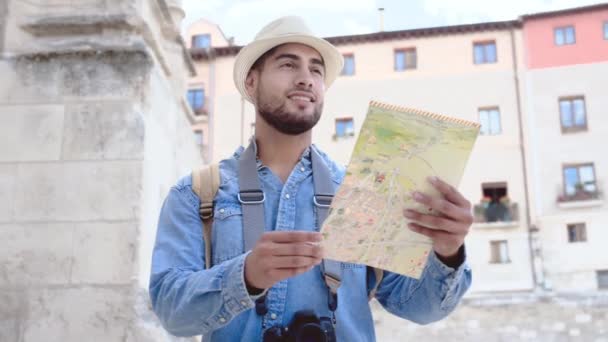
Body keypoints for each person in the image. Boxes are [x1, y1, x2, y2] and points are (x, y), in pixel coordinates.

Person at [149, 16, 473, 341]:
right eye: (288, 65)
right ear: (251, 82)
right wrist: (246, 275)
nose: (306, 79)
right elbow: (171, 311)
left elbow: (418, 307)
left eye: (316, 69)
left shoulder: (363, 193)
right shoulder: (197, 193)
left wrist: (447, 252)